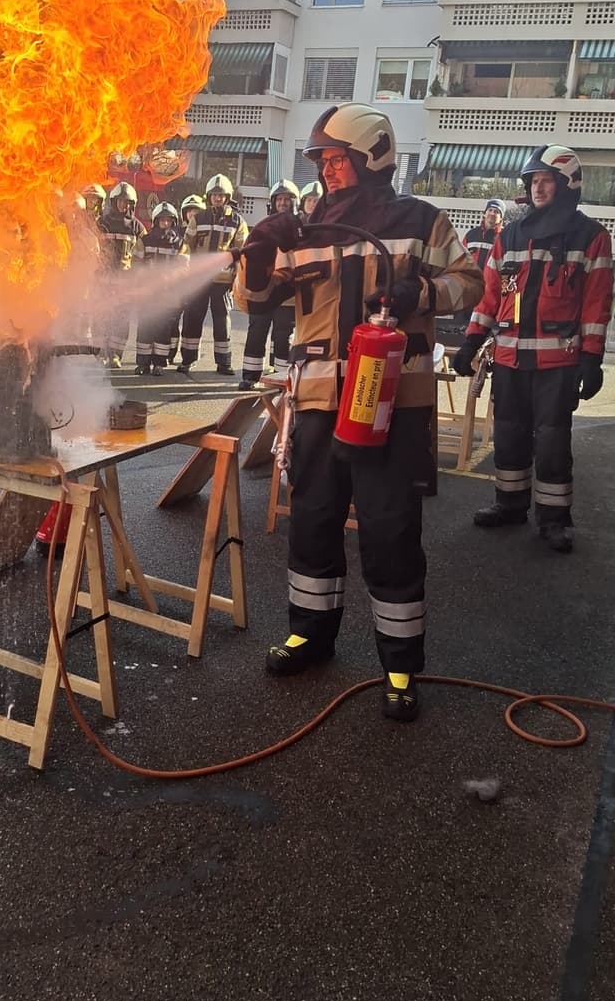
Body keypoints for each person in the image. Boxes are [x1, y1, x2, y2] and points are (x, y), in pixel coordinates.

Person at [236, 103, 482, 720]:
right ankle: (310, 636)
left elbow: (470, 282)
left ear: (373, 157)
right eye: (322, 162)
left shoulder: (419, 220)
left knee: (390, 530)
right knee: (313, 519)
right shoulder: (306, 228)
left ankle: (400, 665)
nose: (327, 172)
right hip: (320, 402)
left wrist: (419, 291)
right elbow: (254, 302)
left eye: (338, 160)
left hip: (391, 408)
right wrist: (259, 252)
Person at [452, 145, 613, 554]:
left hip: (558, 362)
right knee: (509, 435)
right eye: (533, 182)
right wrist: (470, 340)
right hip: (509, 359)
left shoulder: (591, 237)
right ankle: (509, 505)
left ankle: (555, 520)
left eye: (546, 182)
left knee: (553, 442)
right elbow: (490, 297)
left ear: (567, 185)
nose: (538, 189)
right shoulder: (510, 235)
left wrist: (592, 358)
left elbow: (597, 303)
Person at [180, 173, 247, 376]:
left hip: (223, 281)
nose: (217, 198)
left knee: (222, 320)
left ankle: (224, 362)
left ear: (227, 197)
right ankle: (188, 360)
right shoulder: (198, 218)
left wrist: (237, 277)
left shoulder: (237, 221)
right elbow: (186, 246)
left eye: (221, 195)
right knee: (193, 318)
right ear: (208, 196)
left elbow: (242, 251)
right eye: (214, 195)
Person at [239, 179, 299, 389]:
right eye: (279, 199)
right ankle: (250, 376)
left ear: (294, 202)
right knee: (257, 330)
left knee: (283, 335)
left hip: (287, 293)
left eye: (286, 199)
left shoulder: (299, 230)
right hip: (264, 291)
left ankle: (282, 377)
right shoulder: (263, 229)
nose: (282, 203)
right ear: (272, 203)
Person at [135, 200, 188, 375]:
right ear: (155, 221)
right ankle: (143, 363)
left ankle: (159, 364)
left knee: (163, 330)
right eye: (161, 220)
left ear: (173, 222)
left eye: (168, 220)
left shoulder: (180, 243)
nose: (165, 223)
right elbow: (136, 264)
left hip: (168, 295)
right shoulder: (145, 240)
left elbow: (184, 268)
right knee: (145, 328)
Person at [96, 182, 144, 368]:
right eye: (121, 201)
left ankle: (115, 354)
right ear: (114, 201)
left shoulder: (137, 227)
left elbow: (142, 254)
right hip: (102, 278)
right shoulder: (102, 223)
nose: (124, 205)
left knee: (121, 319)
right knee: (100, 316)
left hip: (125, 281)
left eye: (127, 202)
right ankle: (100, 353)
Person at [463, 198, 504, 272]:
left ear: (501, 219)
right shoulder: (471, 235)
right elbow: (460, 260)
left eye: (496, 212)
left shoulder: (505, 237)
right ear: (484, 214)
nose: (492, 213)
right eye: (490, 210)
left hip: (492, 282)